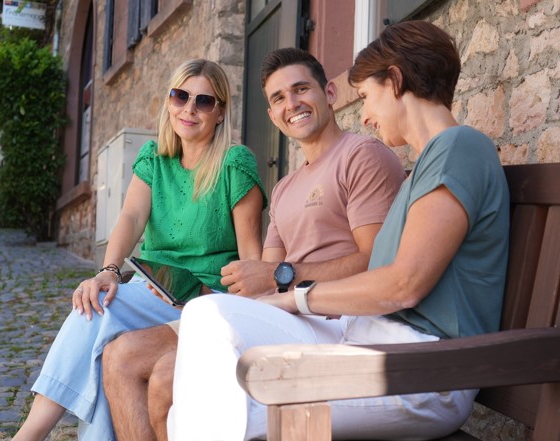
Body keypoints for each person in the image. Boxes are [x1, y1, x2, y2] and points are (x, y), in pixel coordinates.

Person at [168, 20, 510, 441]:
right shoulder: (427, 166)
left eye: (366, 96)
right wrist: (282, 302)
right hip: (366, 344)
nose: (364, 115)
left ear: (396, 81)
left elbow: (404, 285)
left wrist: (299, 298)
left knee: (234, 410)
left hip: (421, 370)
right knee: (207, 319)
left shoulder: (459, 148)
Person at [102, 47, 407, 441]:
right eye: (278, 98)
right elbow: (262, 281)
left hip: (332, 320)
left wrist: (284, 275)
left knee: (165, 377)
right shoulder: (284, 189)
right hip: (285, 315)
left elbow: (375, 261)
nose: (291, 104)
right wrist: (205, 294)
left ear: (330, 93)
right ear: (271, 115)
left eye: (301, 90)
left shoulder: (361, 156)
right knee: (120, 355)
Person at [12, 58, 267, 441]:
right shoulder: (155, 159)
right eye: (180, 96)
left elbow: (252, 257)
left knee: (98, 320)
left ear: (220, 112)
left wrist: (231, 310)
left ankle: (29, 436)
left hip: (207, 298)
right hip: (153, 289)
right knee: (93, 304)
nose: (189, 109)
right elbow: (131, 216)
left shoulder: (235, 163)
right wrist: (108, 271)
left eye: (203, 101)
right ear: (168, 101)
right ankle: (32, 434)